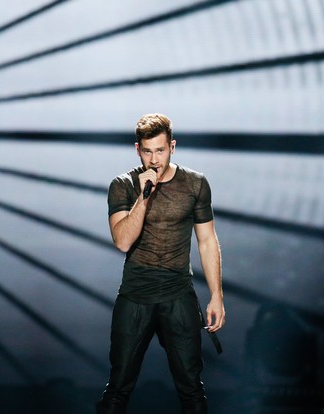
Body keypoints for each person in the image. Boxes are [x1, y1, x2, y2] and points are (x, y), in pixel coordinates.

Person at [95, 113, 225, 414]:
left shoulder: (195, 184)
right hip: (136, 296)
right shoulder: (123, 185)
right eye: (148, 151)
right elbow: (123, 241)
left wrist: (216, 295)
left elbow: (207, 241)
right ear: (138, 150)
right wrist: (143, 197)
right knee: (117, 388)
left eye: (161, 150)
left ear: (173, 147)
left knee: (192, 388)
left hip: (178, 295)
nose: (155, 159)